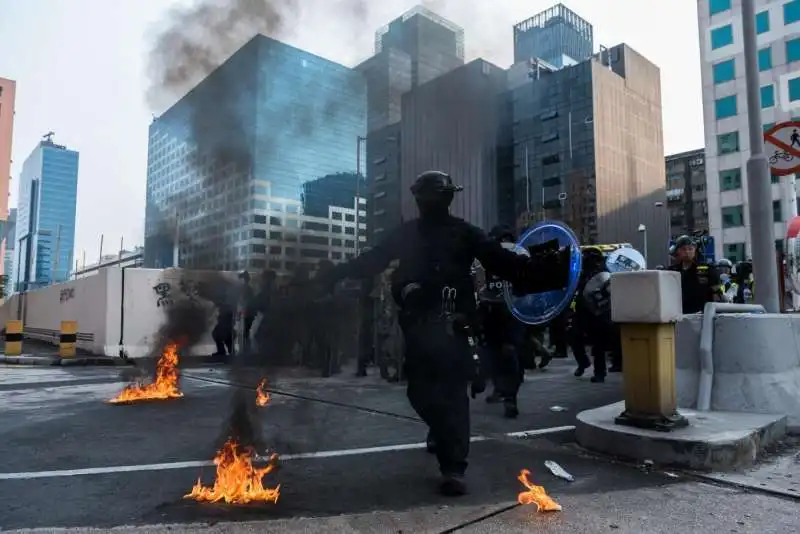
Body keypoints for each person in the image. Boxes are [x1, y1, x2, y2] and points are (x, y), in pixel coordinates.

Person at [315, 170, 572, 497]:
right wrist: (337, 274)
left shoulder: (464, 233)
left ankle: (454, 467)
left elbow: (502, 260)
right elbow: (373, 260)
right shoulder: (407, 235)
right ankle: (442, 433)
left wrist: (549, 269)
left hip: (454, 326)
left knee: (452, 396)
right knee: (418, 394)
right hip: (419, 326)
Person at [476, 224, 527, 419]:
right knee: (502, 353)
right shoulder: (515, 254)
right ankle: (505, 394)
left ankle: (507, 395)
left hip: (502, 311)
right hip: (503, 311)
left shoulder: (492, 255)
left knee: (501, 352)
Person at [667, 235, 721, 313]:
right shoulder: (672, 271)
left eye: (690, 249)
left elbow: (718, 294)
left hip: (702, 316)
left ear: (695, 250)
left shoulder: (707, 270)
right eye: (684, 249)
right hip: (679, 314)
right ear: (678, 251)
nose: (687, 252)